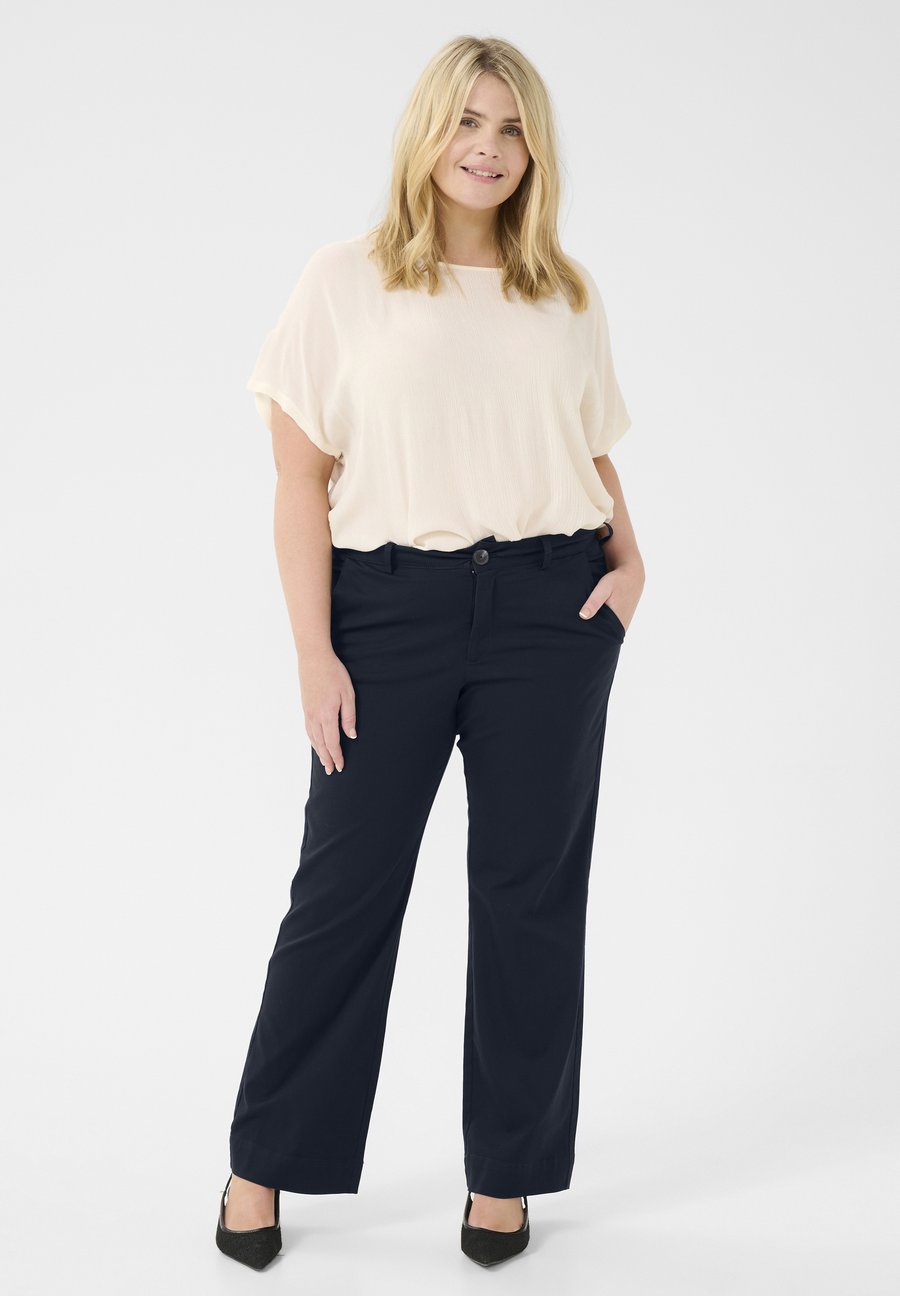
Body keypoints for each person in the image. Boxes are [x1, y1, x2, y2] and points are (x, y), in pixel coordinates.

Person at [215, 33, 645, 1271]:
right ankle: (262, 1161)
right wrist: (314, 653)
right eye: (467, 121)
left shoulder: (564, 292)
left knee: (529, 896)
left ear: (535, 151)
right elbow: (299, 482)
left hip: (550, 615)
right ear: (426, 131)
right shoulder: (345, 280)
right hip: (388, 611)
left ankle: (505, 1177)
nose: (487, 149)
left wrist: (631, 567)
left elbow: (589, 445)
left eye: (512, 129)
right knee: (343, 892)